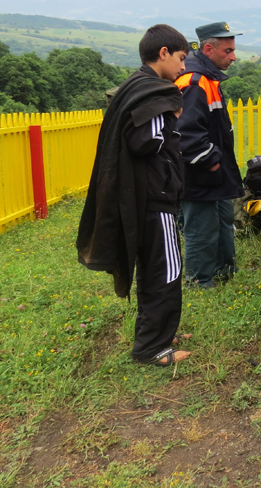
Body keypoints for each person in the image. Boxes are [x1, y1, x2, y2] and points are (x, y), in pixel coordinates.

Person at [77, 24, 193, 366]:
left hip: (137, 197)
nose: (184, 67)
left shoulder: (132, 85)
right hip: (153, 200)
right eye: (181, 58)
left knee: (153, 269)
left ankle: (156, 334)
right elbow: (145, 142)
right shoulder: (157, 92)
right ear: (163, 54)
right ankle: (153, 348)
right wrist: (173, 117)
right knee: (167, 270)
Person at [175, 21, 244, 289]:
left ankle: (224, 271)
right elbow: (187, 134)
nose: (233, 57)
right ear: (208, 48)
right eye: (228, 51)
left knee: (222, 220)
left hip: (215, 172)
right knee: (201, 229)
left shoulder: (208, 78)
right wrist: (213, 163)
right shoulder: (194, 82)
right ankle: (198, 280)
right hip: (199, 173)